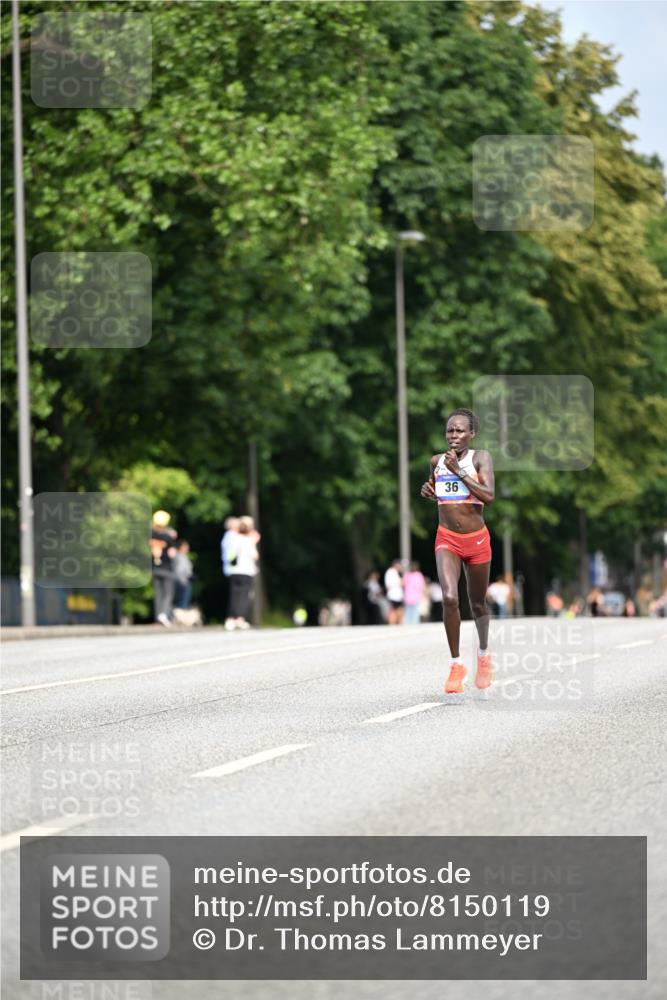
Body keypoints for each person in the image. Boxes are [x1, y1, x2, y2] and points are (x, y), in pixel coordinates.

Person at [420, 408, 495, 693]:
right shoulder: (437, 461)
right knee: (450, 598)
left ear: (471, 434)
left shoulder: (480, 458)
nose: (454, 435)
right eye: (450, 430)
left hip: (476, 540)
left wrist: (459, 472)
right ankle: (456, 665)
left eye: (460, 430)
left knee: (477, 603)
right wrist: (428, 491)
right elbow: (437, 489)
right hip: (447, 538)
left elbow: (488, 496)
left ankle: (484, 657)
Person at [225, 515, 259, 630]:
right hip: (246, 570)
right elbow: (255, 555)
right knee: (244, 595)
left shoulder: (232, 538)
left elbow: (230, 555)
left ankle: (230, 618)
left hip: (234, 570)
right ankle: (239, 618)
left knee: (234, 594)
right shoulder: (248, 540)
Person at [150, 510, 178, 627]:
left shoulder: (151, 535)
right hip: (166, 567)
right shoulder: (168, 537)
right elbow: (172, 553)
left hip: (155, 568)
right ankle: (164, 614)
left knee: (158, 594)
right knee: (168, 593)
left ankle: (158, 616)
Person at [173, 539, 194, 610]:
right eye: (186, 546)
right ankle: (181, 617)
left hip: (183, 581)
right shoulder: (180, 557)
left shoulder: (181, 556)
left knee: (182, 601)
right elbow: (179, 570)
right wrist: (183, 581)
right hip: (183, 582)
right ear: (181, 547)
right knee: (182, 601)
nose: (188, 548)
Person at [384, 560, 404, 624]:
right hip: (393, 596)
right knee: (393, 611)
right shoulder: (390, 572)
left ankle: (397, 624)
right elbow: (388, 585)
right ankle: (392, 624)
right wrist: (400, 583)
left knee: (399, 610)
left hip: (397, 596)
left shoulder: (395, 572)